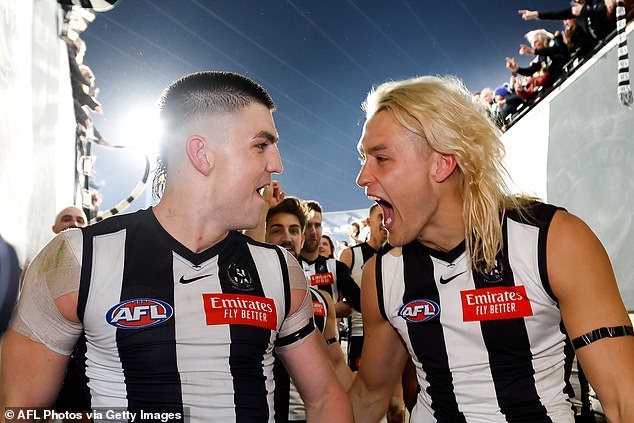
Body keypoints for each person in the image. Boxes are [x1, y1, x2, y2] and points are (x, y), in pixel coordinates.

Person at [1, 71, 352, 422]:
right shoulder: (77, 260)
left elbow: (325, 397)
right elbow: (18, 411)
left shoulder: (280, 270)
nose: (277, 164)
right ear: (201, 153)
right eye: (261, 145)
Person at [348, 75, 634, 422]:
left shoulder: (554, 241)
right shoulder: (381, 273)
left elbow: (623, 400)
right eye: (364, 158)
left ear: (442, 162)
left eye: (381, 158)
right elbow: (369, 396)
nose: (362, 178)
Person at [261, 195, 353, 422]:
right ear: (263, 235)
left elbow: (337, 364)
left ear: (302, 239)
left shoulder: (322, 300)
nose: (287, 238)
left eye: (293, 230)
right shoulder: (249, 297)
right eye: (276, 230)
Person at [299, 200, 361, 315]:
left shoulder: (337, 267)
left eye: (317, 225)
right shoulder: (287, 264)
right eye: (308, 225)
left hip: (329, 333)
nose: (313, 232)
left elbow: (359, 303)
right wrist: (330, 309)